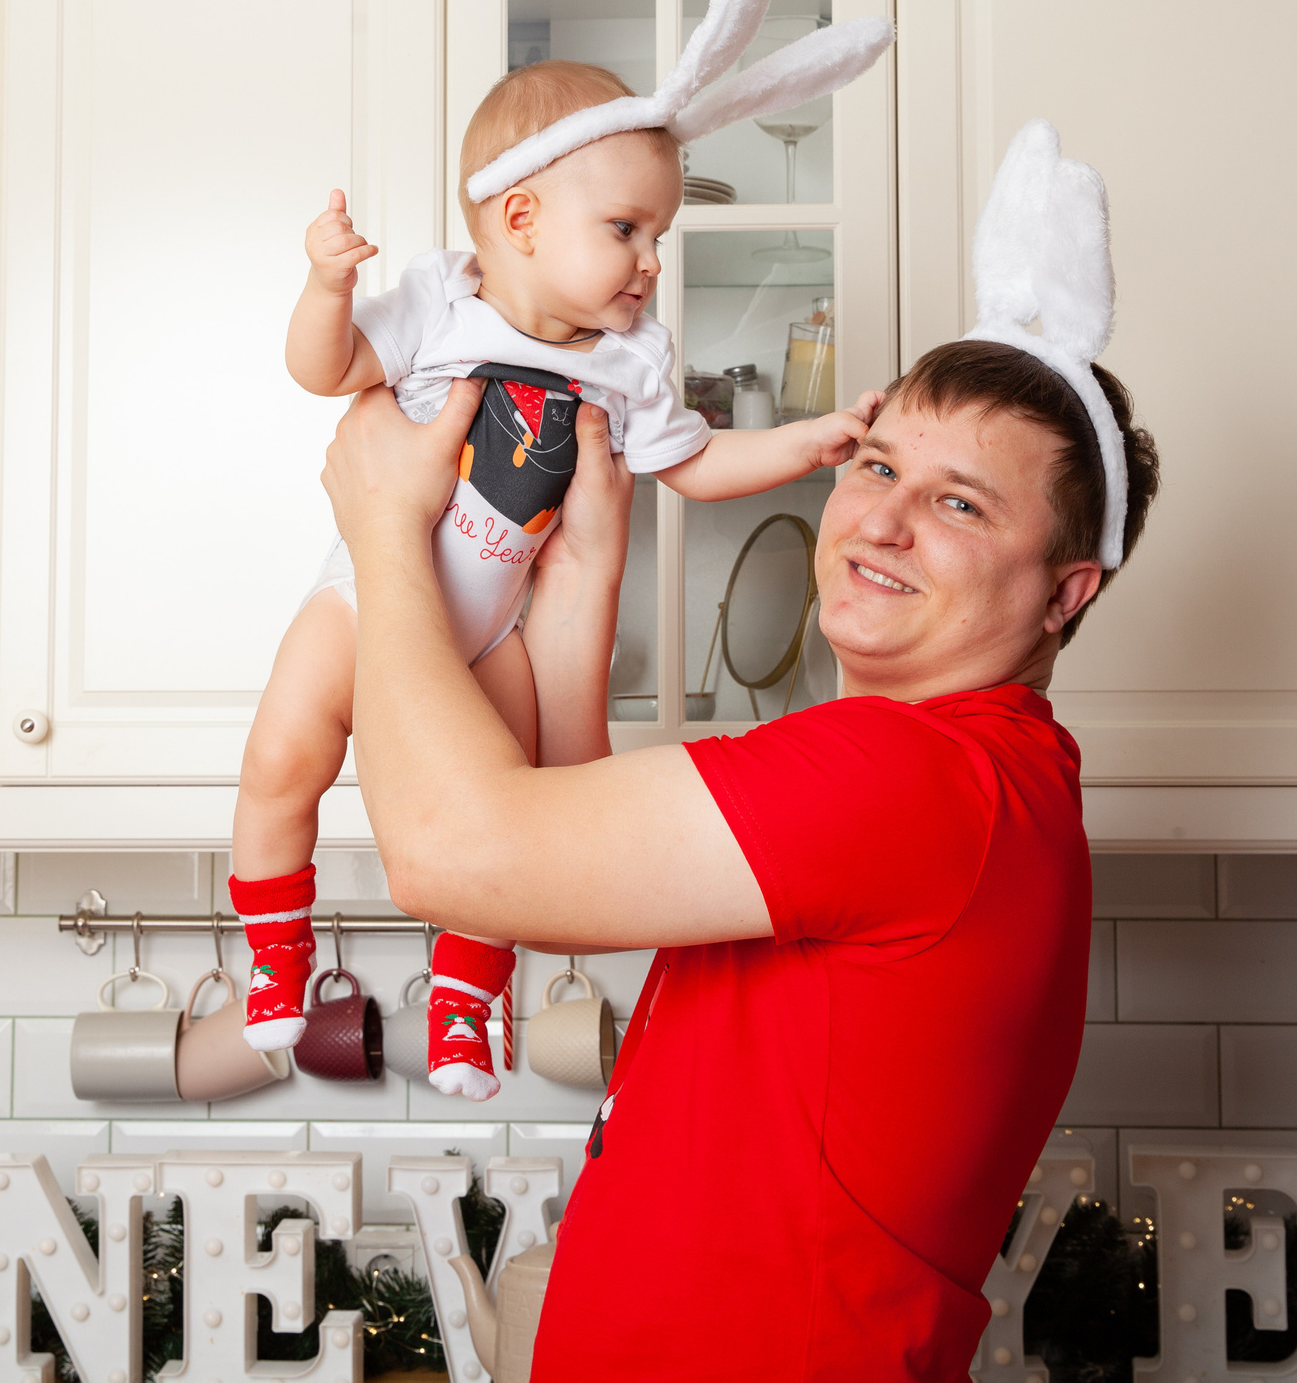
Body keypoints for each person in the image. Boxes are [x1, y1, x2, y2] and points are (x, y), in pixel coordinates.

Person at [319, 120, 1160, 1378]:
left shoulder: (921, 778)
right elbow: (556, 857)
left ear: (1064, 593)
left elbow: (456, 853)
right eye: (876, 464)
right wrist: (592, 563)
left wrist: (384, 527)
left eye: (959, 502)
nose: (877, 518)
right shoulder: (944, 765)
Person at [228, 0, 895, 1100]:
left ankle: (465, 1009)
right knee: (281, 756)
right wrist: (328, 283)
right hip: (362, 597)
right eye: (627, 229)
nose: (651, 260)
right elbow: (322, 372)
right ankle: (275, 960)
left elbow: (691, 466)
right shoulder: (438, 303)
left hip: (495, 626)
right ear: (520, 219)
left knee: (507, 822)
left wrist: (812, 442)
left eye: (660, 235)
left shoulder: (631, 360)